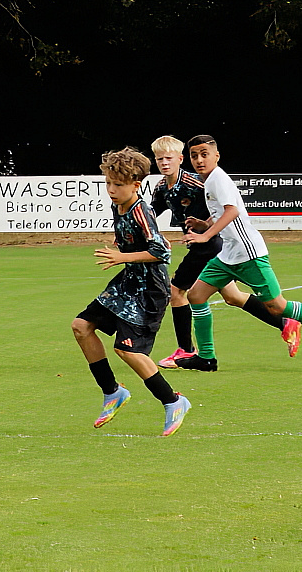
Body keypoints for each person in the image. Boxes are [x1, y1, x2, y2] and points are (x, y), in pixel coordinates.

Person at [182, 135, 302, 370]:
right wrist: (205, 225)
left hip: (248, 254)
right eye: (194, 156)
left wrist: (205, 236)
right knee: (196, 295)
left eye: (204, 154)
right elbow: (223, 212)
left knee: (277, 306)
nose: (199, 160)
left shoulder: (217, 179)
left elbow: (232, 211)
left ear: (217, 156)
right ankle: (206, 358)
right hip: (228, 255)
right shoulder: (211, 180)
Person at [149, 136, 301, 370]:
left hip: (211, 245)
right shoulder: (161, 188)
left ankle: (186, 350)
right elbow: (149, 214)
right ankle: (285, 323)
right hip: (209, 247)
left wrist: (206, 230)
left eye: (169, 158)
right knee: (233, 297)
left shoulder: (196, 183)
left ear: (180, 159)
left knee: (176, 291)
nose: (164, 163)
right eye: (160, 159)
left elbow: (224, 206)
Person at [70, 147, 192, 437]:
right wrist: (122, 245)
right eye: (108, 183)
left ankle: (173, 401)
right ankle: (112, 392)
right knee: (81, 327)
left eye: (118, 185)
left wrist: (122, 256)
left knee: (127, 350)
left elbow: (161, 251)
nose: (111, 190)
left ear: (136, 185)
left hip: (149, 290)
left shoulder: (141, 210)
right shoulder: (119, 205)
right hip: (128, 282)